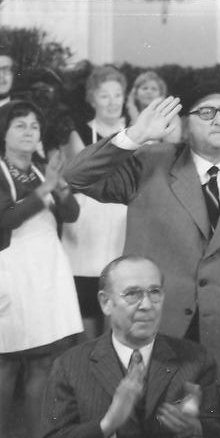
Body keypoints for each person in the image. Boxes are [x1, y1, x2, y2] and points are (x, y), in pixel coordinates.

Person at [63, 85, 220, 438]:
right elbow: (76, 176)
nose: (219, 119)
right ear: (185, 123)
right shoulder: (150, 163)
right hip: (155, 335)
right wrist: (133, 136)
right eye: (206, 112)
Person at [37, 256, 220, 438]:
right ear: (105, 303)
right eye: (132, 294)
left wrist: (196, 430)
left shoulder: (196, 359)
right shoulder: (70, 365)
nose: (147, 305)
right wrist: (107, 424)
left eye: (154, 292)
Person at [0, 101, 83, 438]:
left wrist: (59, 188)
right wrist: (46, 188)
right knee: (5, 362)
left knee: (42, 360)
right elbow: (6, 219)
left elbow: (72, 214)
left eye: (34, 125)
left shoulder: (39, 169)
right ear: (3, 133)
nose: (29, 131)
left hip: (46, 272)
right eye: (20, 125)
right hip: (11, 271)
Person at [61, 65, 129, 339]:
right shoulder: (78, 133)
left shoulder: (136, 133)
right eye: (104, 95)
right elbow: (81, 177)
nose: (112, 102)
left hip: (122, 223)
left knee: (119, 301)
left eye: (117, 95)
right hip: (88, 228)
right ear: (92, 99)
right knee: (87, 305)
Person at [126, 70, 182, 144]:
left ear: (161, 95)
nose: (149, 92)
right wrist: (132, 108)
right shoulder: (125, 115)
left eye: (154, 89)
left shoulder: (171, 116)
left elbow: (172, 144)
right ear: (135, 94)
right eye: (145, 88)